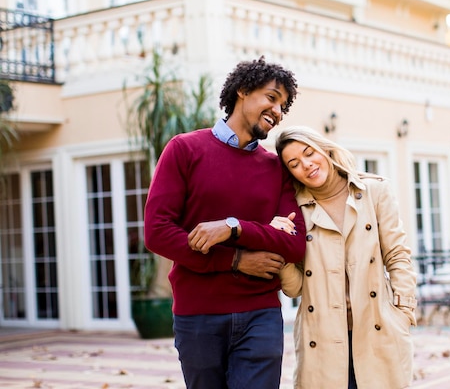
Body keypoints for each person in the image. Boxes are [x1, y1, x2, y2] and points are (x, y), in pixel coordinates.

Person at [143, 56, 306, 389]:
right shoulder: (184, 150)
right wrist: (236, 259)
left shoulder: (277, 169)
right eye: (272, 98)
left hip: (261, 313)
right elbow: (157, 233)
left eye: (283, 107)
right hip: (198, 314)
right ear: (242, 91)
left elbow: (293, 242)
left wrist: (235, 227)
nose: (277, 111)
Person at [272, 125, 418, 389]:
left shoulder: (374, 192)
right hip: (322, 339)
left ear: (324, 149)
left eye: (309, 153)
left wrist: (403, 312)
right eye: (294, 163)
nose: (306, 165)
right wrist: (278, 246)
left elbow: (397, 255)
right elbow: (294, 290)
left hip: (378, 330)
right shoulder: (295, 210)